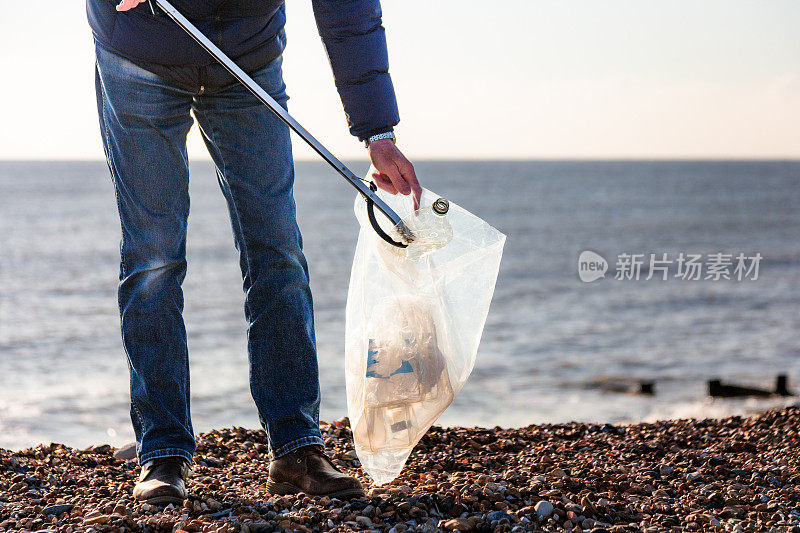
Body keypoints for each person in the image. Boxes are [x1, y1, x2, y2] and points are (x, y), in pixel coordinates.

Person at [87, 0, 421, 505]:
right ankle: (163, 451)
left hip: (247, 59)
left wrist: (378, 131)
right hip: (140, 52)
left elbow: (350, 11)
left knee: (278, 252)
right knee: (153, 260)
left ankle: (296, 447)